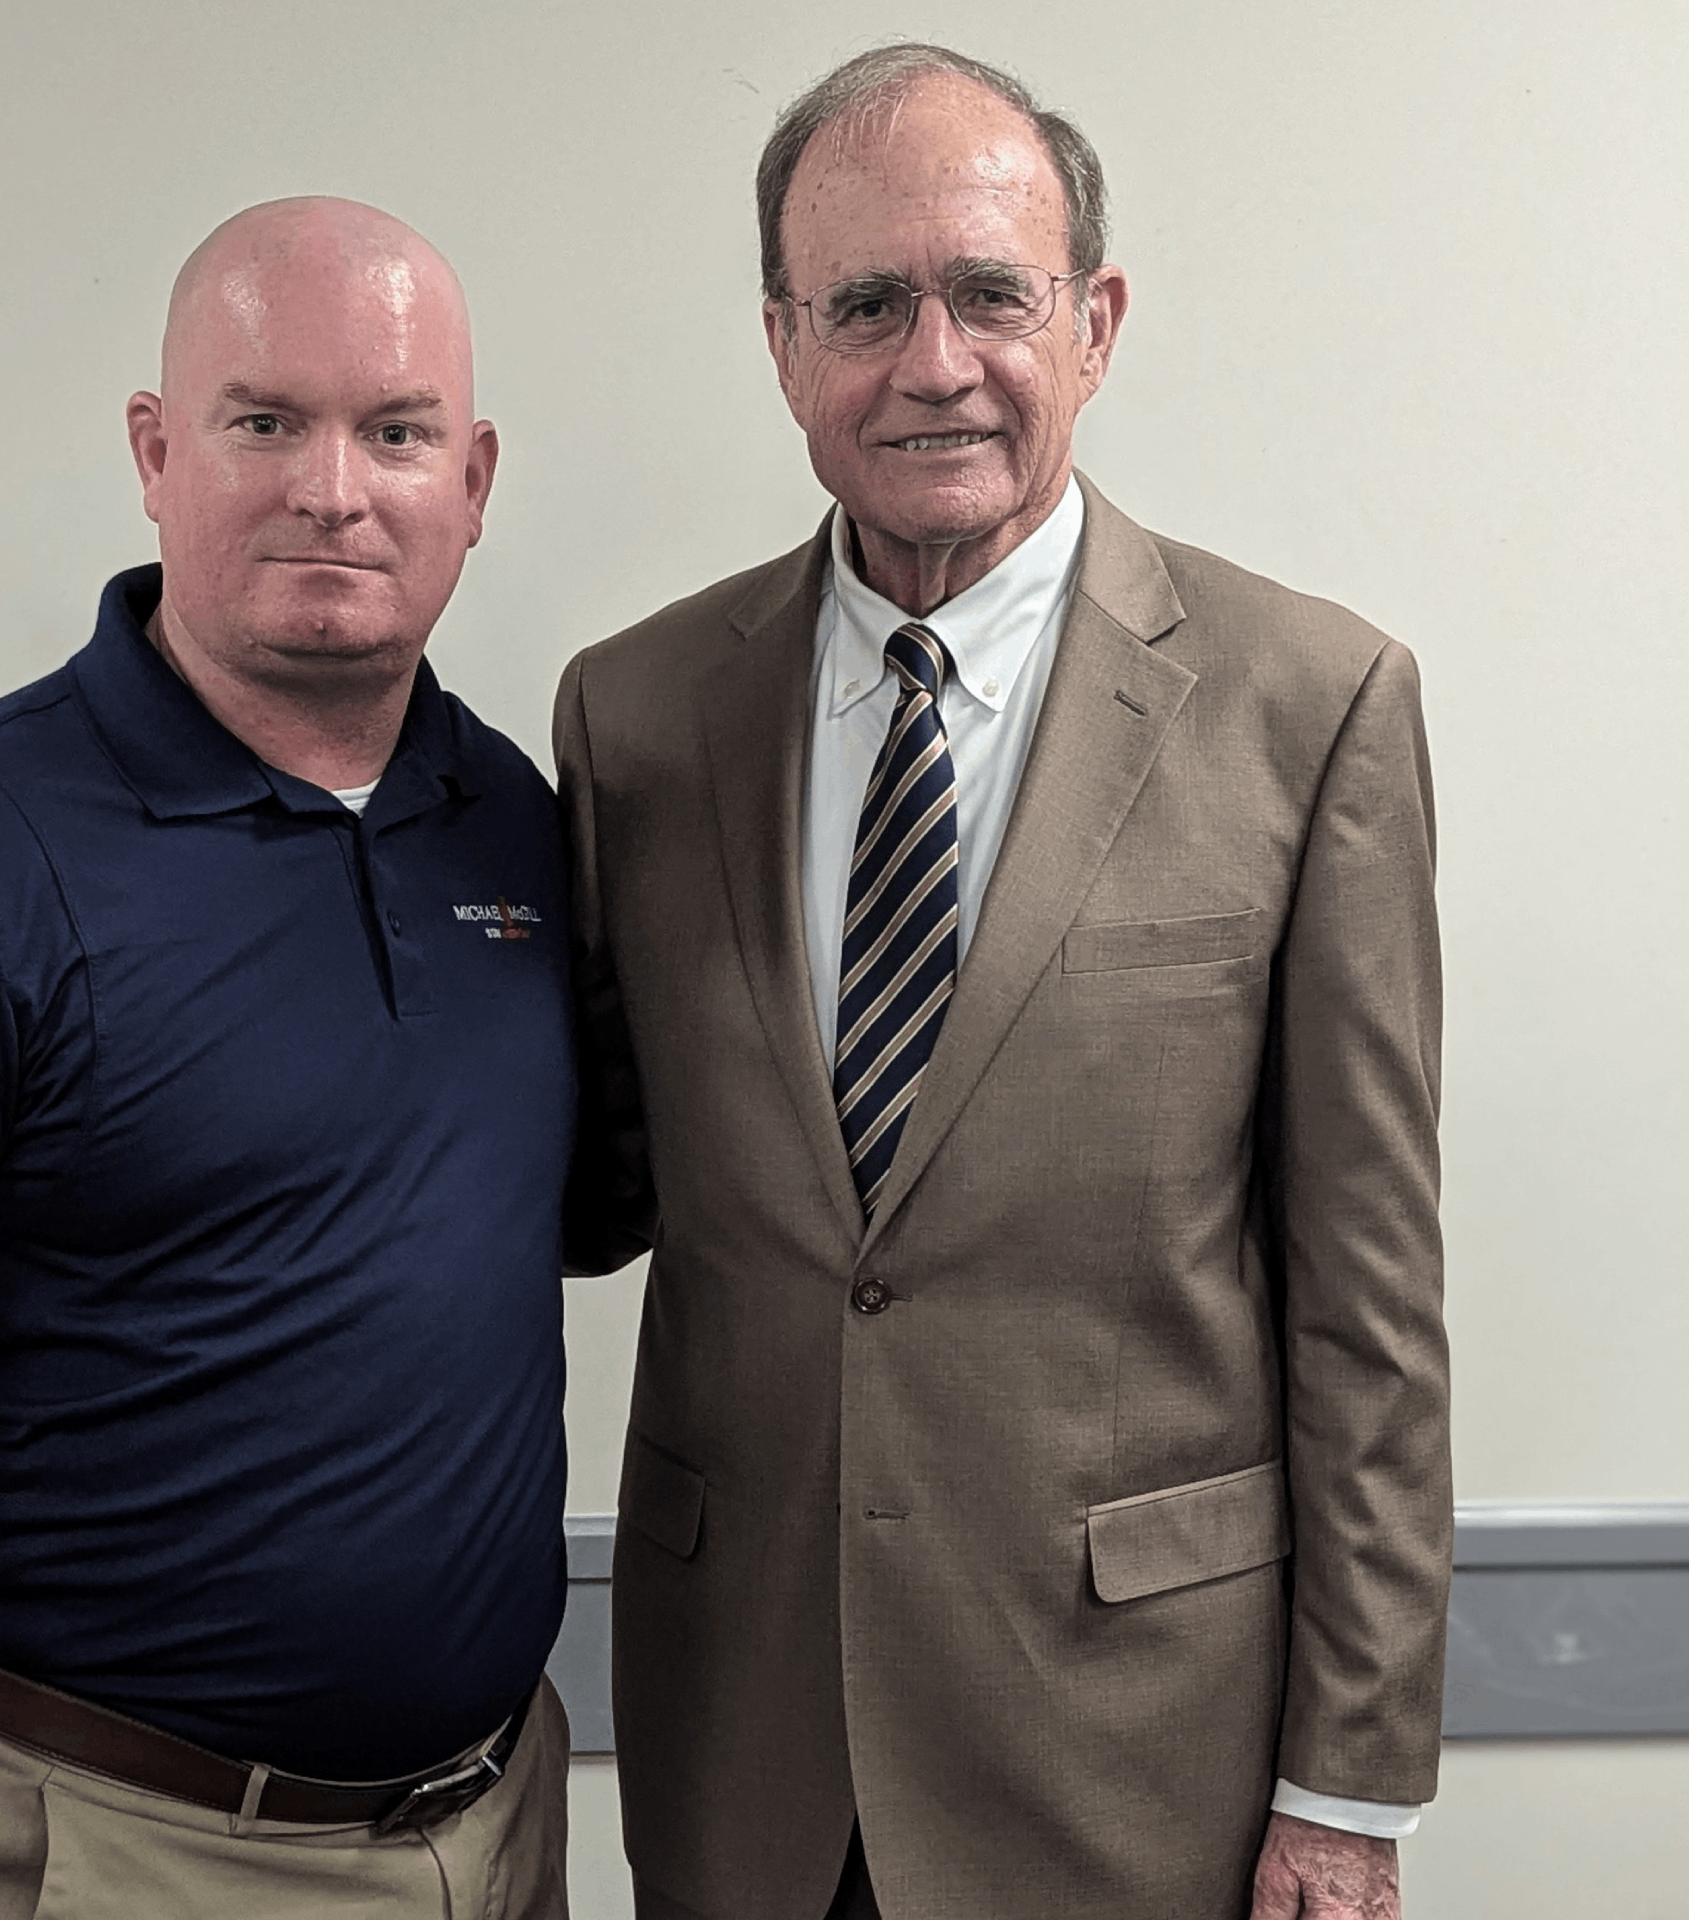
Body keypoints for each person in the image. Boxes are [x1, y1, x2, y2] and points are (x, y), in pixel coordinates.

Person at [557, 45, 1448, 1920]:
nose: (932, 361)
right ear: (786, 345)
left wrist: (1347, 1793)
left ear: (1096, 320)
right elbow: (585, 1177)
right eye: (868, 304)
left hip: (1139, 1762)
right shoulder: (633, 718)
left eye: (991, 294)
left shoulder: (1311, 708)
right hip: (748, 1755)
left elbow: (1368, 1306)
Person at [0, 198, 575, 1920]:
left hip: (495, 1828)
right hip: (119, 1845)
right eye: (265, 422)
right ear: (158, 455)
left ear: (470, 482)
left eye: (394, 432)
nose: (335, 486)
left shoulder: (515, 830)